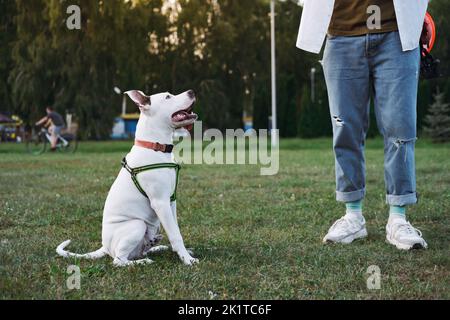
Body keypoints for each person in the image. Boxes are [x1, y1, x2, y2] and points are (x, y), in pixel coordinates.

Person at [296, 0, 429, 250]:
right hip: (341, 32)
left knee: (400, 128)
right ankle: (353, 216)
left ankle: (398, 218)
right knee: (345, 128)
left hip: (397, 32)